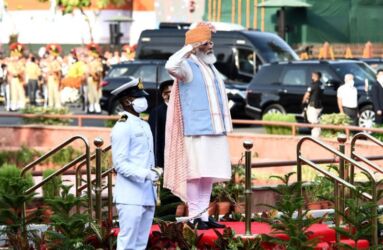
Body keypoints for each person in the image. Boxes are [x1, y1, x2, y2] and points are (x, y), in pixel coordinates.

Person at [164, 22, 232, 229]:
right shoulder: (187, 66)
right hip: (196, 131)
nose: (211, 45)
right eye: (206, 42)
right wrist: (190, 47)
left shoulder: (210, 66)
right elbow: (170, 65)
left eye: (211, 41)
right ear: (196, 45)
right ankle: (194, 216)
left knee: (208, 174)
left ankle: (203, 216)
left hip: (215, 128)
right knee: (196, 174)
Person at [111, 78, 162, 250]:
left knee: (140, 244)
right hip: (130, 196)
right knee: (127, 243)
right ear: (127, 101)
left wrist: (154, 172)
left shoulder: (143, 124)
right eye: (138, 97)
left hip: (148, 193)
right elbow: (120, 164)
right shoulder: (122, 126)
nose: (143, 101)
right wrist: (146, 174)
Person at [148, 80, 173, 168]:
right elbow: (155, 138)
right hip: (164, 156)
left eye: (173, 92)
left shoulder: (182, 109)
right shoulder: (157, 112)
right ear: (163, 95)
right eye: (168, 92)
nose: (171, 95)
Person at [302, 71, 323, 137]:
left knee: (313, 121)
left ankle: (315, 136)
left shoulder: (313, 85)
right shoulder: (321, 84)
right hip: (319, 106)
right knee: (317, 120)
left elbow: (307, 94)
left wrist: (303, 102)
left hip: (313, 106)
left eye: (312, 76)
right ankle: (317, 134)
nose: (311, 77)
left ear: (315, 76)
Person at [7, 42, 26, 111]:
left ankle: (21, 106)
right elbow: (9, 70)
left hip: (19, 78)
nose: (16, 57)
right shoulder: (10, 62)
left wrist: (19, 73)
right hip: (13, 79)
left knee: (21, 92)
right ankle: (14, 106)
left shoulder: (21, 62)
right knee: (13, 92)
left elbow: (23, 70)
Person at [86, 43, 103, 113]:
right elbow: (86, 70)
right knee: (90, 92)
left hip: (96, 78)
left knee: (97, 91)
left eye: (93, 50)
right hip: (90, 78)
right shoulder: (88, 61)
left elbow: (100, 70)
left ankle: (97, 104)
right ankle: (91, 105)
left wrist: (96, 76)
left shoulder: (98, 61)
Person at [45, 44, 62, 109]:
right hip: (50, 78)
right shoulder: (48, 62)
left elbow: (59, 70)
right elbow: (46, 71)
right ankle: (50, 104)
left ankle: (57, 105)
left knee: (56, 91)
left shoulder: (57, 62)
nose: (50, 56)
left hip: (55, 78)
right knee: (50, 91)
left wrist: (54, 71)